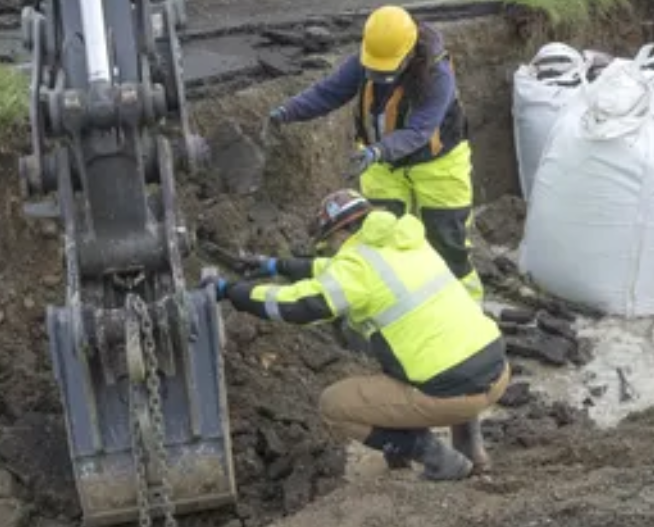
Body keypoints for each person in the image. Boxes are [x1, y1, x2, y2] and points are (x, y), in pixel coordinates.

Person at [213, 190, 508, 479]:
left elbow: (299, 305)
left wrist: (232, 291)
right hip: (496, 371)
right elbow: (338, 270)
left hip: (453, 395)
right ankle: (472, 451)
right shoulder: (405, 241)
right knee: (448, 351)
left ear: (339, 235)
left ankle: (438, 459)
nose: (329, 252)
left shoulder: (356, 267)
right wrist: (278, 266)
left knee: (334, 406)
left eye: (327, 245)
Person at [268, 5, 483, 299]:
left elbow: (419, 132)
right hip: (382, 163)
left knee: (448, 242)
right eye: (375, 69)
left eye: (387, 69)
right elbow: (328, 92)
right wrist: (288, 111)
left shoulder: (438, 75)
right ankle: (393, 302)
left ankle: (466, 308)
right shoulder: (369, 59)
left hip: (439, 164)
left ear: (409, 54)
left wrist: (377, 152)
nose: (379, 76)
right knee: (381, 238)